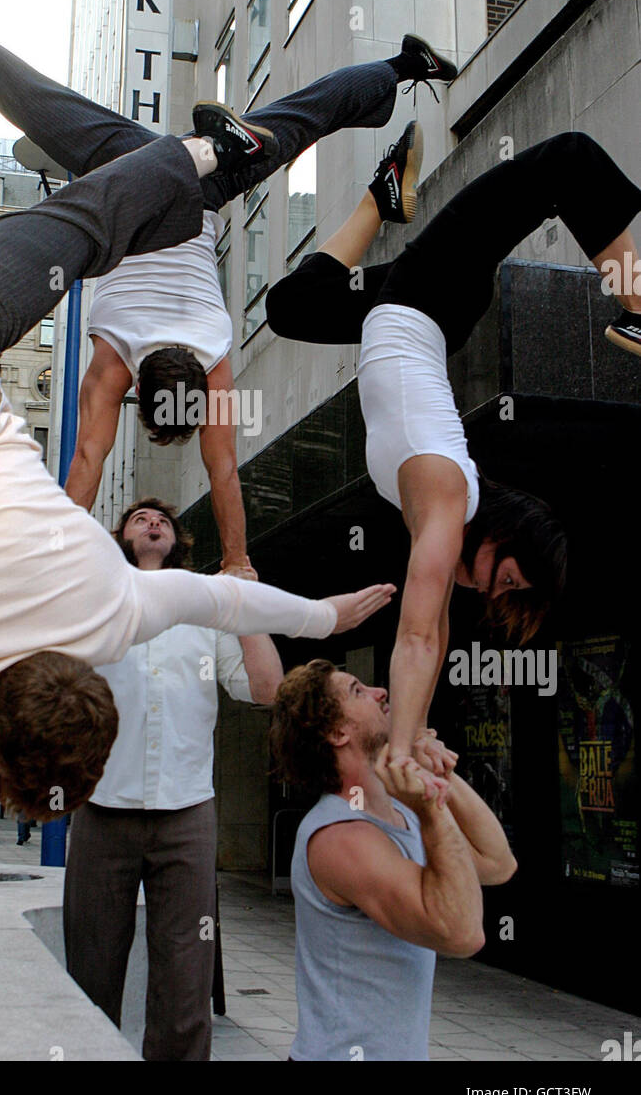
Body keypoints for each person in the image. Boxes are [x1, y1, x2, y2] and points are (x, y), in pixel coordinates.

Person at [0, 0, 395, 1061]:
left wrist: (325, 609)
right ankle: (207, 153)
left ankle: (213, 153)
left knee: (86, 217)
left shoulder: (107, 607)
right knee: (95, 210)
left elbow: (218, 591)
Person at [0, 0, 456, 575]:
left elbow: (223, 474)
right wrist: (49, 553)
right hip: (134, 180)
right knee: (35, 98)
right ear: (142, 391)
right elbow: (87, 459)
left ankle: (401, 66)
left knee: (303, 119)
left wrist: (241, 560)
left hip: (200, 194)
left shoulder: (215, 355)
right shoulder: (115, 362)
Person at [266, 129, 641, 773]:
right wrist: (404, 752)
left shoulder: (434, 522)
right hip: (431, 294)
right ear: (504, 530)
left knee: (292, 307)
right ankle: (637, 301)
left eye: (502, 593)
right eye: (511, 575)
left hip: (408, 305)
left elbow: (431, 635)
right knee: (568, 160)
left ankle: (380, 198)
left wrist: (415, 735)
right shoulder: (446, 495)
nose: (489, 587)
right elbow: (414, 637)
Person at [64, 497, 286, 1061]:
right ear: (121, 538)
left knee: (187, 981)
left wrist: (250, 603)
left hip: (187, 813)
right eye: (139, 518)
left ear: (179, 540)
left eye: (162, 519)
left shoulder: (207, 608)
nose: (153, 522)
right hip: (102, 808)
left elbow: (266, 689)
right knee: (90, 973)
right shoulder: (100, 599)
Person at [270, 659, 517, 1060]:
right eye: (357, 691)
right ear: (337, 733)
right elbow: (462, 934)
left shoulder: (397, 815)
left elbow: (497, 862)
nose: (380, 692)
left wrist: (440, 777)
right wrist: (433, 811)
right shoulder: (341, 837)